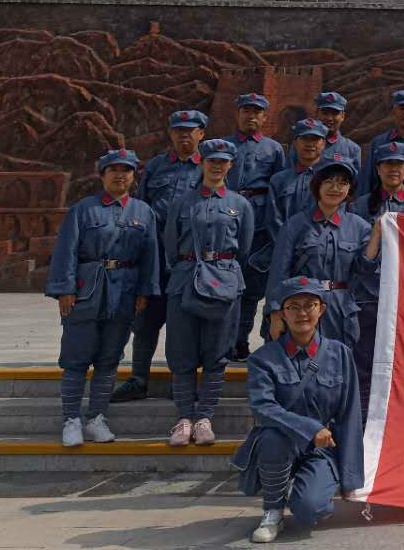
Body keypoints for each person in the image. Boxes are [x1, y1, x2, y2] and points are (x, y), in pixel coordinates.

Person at [233, 277, 363, 544]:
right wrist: (310, 429)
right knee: (271, 435)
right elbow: (262, 406)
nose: (302, 313)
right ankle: (272, 510)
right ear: (282, 314)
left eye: (309, 305)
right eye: (293, 306)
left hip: (322, 450)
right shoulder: (263, 359)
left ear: (321, 309)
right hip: (281, 443)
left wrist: (350, 479)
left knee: (310, 509)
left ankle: (298, 490)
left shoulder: (340, 354)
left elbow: (349, 415)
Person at [46, 148, 160, 447]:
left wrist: (145, 292)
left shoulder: (143, 212)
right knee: (76, 357)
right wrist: (65, 289)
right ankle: (71, 420)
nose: (120, 175)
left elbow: (150, 256)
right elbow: (66, 250)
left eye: (126, 170)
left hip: (124, 292)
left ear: (134, 176)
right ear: (102, 175)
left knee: (109, 358)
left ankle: (96, 418)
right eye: (114, 170)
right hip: (87, 291)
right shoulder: (83, 209)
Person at [162, 138, 254, 447]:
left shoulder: (240, 205)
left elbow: (245, 247)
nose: (217, 166)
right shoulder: (182, 202)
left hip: (224, 281)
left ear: (230, 165)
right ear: (202, 163)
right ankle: (184, 418)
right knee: (182, 350)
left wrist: (220, 269)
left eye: (223, 161)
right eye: (211, 160)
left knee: (217, 351)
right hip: (185, 279)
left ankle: (204, 418)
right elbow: (171, 245)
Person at [114, 108, 207, 404]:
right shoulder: (156, 167)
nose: (184, 135)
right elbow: (141, 209)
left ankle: (183, 381)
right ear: (171, 133)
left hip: (188, 259)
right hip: (154, 257)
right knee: (145, 321)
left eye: (190, 130)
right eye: (178, 130)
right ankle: (138, 379)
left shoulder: (209, 167)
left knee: (186, 325)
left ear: (201, 134)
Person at [351, 142, 404, 419]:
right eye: (387, 164)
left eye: (399, 165)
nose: (393, 170)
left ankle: (399, 419)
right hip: (369, 295)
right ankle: (364, 423)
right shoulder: (362, 205)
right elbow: (359, 254)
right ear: (377, 169)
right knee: (365, 362)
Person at [265, 155, 376, 347]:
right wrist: (275, 314)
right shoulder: (295, 225)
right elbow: (278, 273)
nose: (335, 188)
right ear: (317, 185)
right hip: (302, 308)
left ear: (349, 188)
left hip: (340, 312)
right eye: (329, 182)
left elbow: (364, 269)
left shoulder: (360, 227)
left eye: (342, 183)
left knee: (337, 361)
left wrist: (377, 235)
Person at [227, 94, 286, 361]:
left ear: (264, 117)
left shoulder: (274, 149)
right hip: (227, 220)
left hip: (260, 224)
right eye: (246, 111)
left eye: (256, 112)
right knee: (225, 286)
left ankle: (241, 341)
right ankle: (222, 341)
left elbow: (279, 187)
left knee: (251, 290)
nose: (251, 116)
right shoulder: (224, 146)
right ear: (237, 114)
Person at [359, 89, 404, 197]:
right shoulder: (379, 143)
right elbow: (367, 181)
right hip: (383, 204)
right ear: (394, 111)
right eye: (402, 109)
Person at [268, 119, 330, 226]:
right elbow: (273, 220)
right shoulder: (278, 180)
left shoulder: (331, 179)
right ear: (295, 143)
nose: (309, 144)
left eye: (315, 139)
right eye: (304, 139)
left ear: (324, 143)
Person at [313, 92, 361, 170]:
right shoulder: (303, 145)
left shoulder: (352, 149)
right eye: (325, 113)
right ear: (316, 114)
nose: (329, 118)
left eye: (335, 113)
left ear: (343, 116)